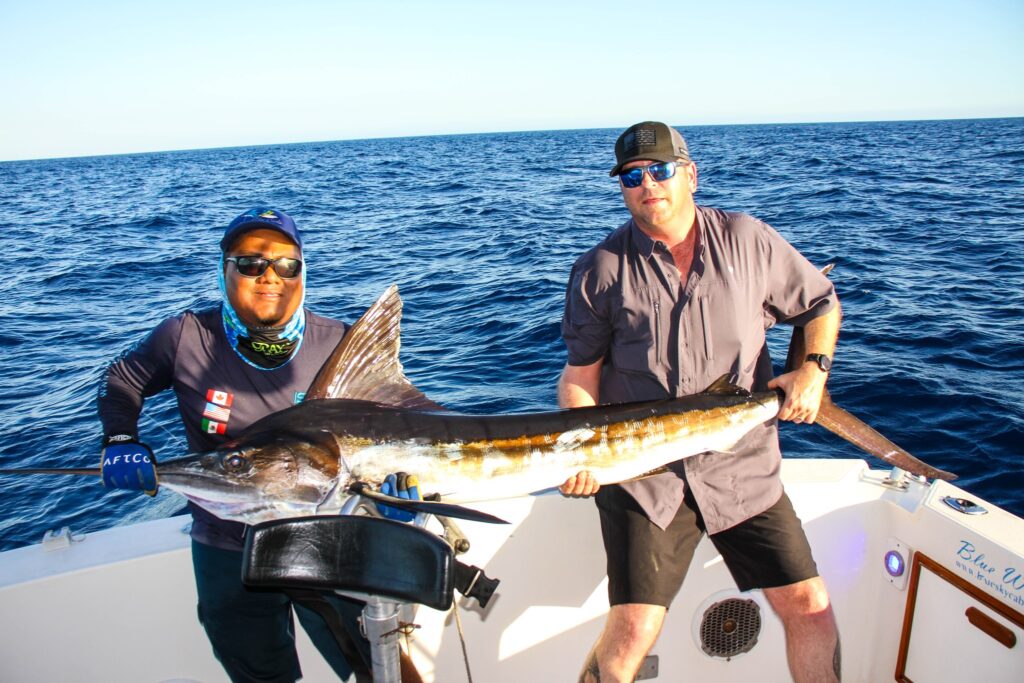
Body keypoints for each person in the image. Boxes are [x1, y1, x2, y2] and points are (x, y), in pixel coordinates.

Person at [558, 122, 843, 683]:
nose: (648, 185)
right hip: (645, 478)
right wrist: (580, 455)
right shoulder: (599, 270)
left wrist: (812, 371)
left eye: (660, 171)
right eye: (633, 177)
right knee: (634, 627)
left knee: (809, 607)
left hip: (742, 465)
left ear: (689, 174)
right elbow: (579, 379)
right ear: (622, 188)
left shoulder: (749, 239)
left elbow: (821, 305)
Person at [97, 208, 370, 682]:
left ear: (303, 271)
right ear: (224, 270)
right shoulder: (184, 336)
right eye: (250, 264)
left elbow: (389, 433)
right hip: (226, 544)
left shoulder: (339, 343)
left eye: (287, 264)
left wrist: (396, 496)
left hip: (327, 539)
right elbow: (121, 380)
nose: (269, 276)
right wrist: (121, 438)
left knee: (377, 667)